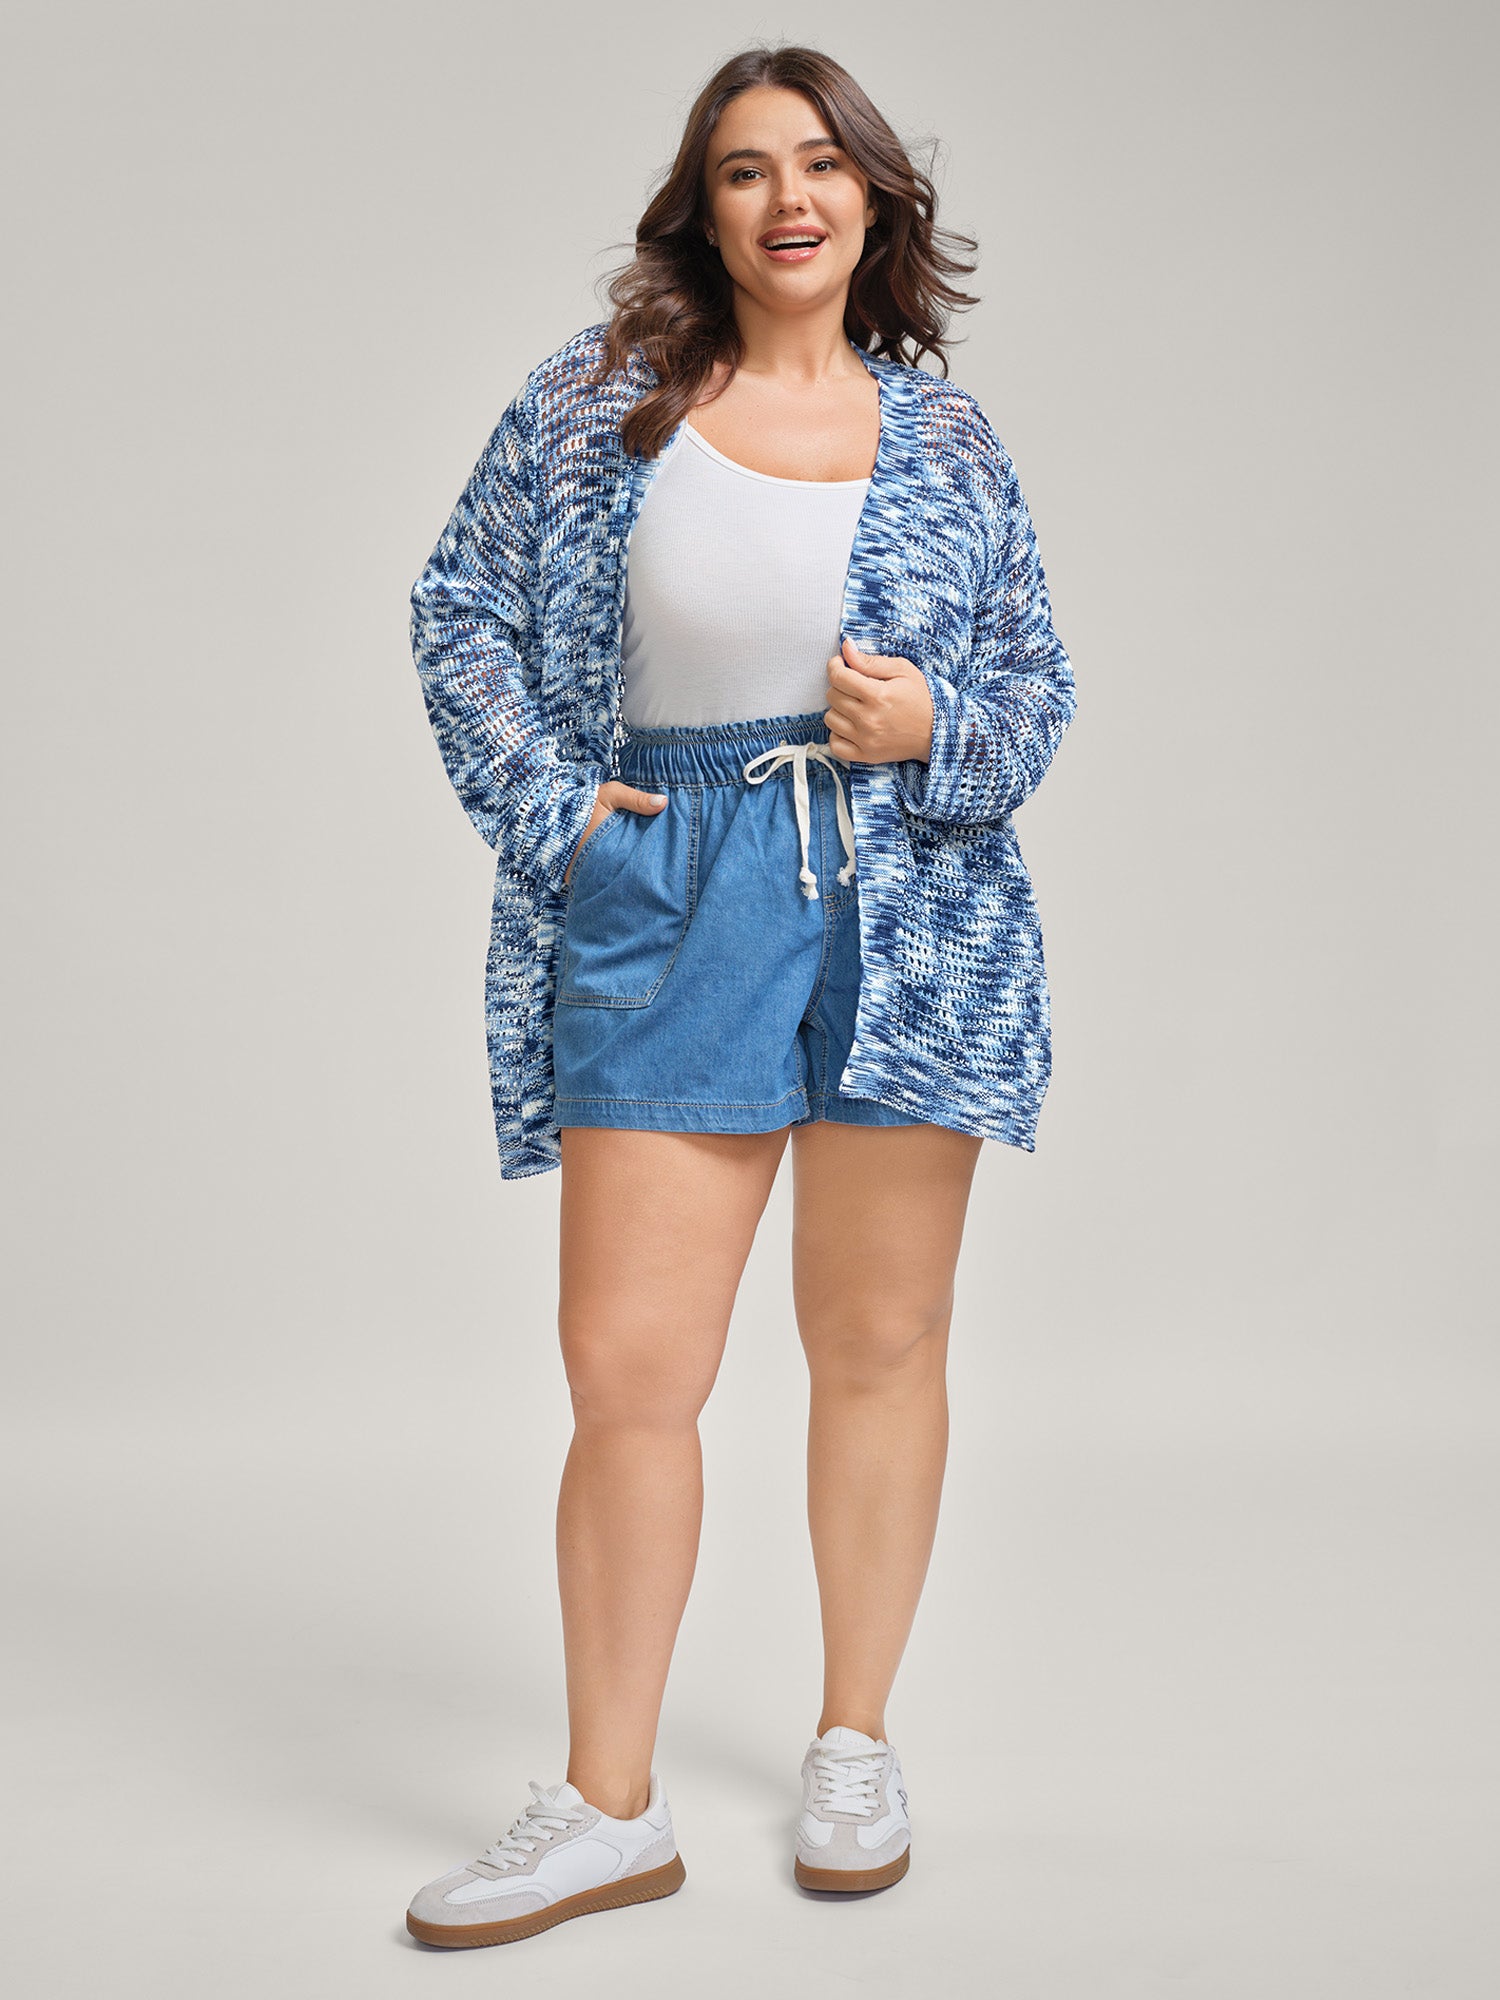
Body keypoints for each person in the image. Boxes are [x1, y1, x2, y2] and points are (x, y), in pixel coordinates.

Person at [403, 42, 1077, 1951]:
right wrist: (556, 813)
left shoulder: (950, 441)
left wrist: (938, 728)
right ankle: (605, 1807)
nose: (789, 199)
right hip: (670, 884)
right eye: (745, 170)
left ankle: (854, 1741)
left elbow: (1037, 688)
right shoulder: (599, 399)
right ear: (701, 212)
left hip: (908, 903)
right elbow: (459, 607)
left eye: (821, 164)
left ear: (874, 199)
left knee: (880, 1339)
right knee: (630, 1370)